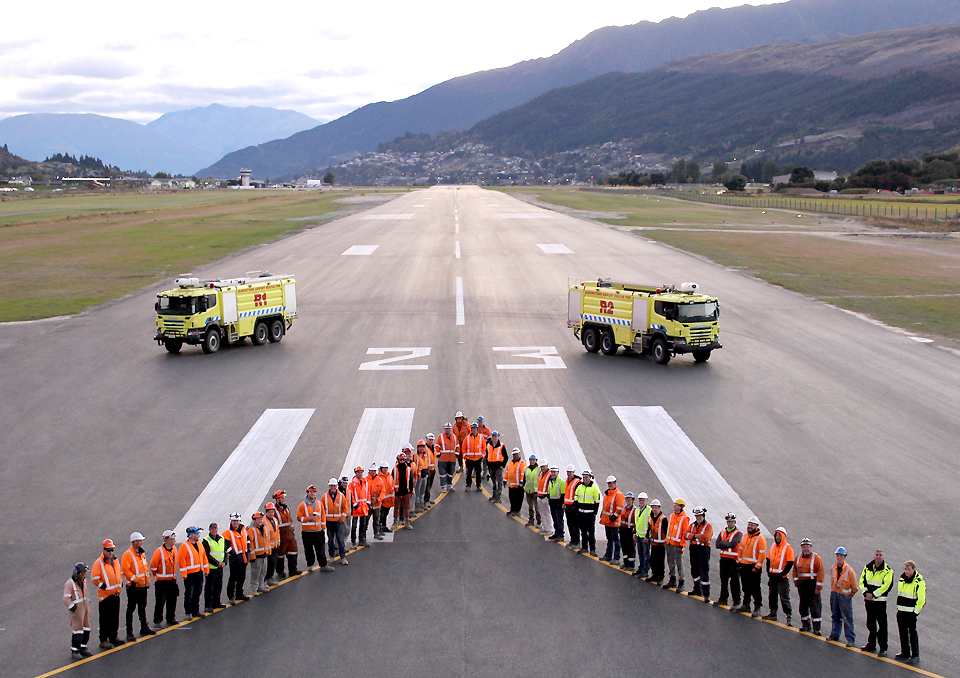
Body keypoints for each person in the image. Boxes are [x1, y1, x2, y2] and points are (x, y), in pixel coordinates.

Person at [90, 539, 125, 650]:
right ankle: (103, 640)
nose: (110, 553)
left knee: (115, 617)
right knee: (105, 619)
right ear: (104, 550)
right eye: (108, 550)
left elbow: (119, 573)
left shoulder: (115, 561)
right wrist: (103, 586)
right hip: (105, 596)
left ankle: (113, 637)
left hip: (115, 593)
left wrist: (120, 583)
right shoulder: (99, 563)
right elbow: (94, 578)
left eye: (112, 550)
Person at [860, 548, 893, 656]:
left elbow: (886, 586)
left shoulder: (888, 571)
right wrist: (866, 593)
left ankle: (883, 648)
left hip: (880, 602)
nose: (878, 556)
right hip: (869, 601)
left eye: (880, 555)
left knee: (882, 625)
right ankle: (871, 644)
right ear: (874, 556)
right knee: (870, 623)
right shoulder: (867, 567)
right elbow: (861, 581)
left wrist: (873, 594)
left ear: (883, 557)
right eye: (877, 554)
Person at [121, 532, 153, 642]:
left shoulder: (141, 553)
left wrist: (146, 580)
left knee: (142, 607)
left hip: (143, 586)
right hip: (133, 587)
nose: (141, 542)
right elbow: (126, 570)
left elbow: (145, 568)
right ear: (134, 542)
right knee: (131, 609)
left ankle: (144, 627)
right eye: (139, 541)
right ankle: (129, 632)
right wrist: (136, 580)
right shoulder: (128, 555)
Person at [792, 537, 824, 635]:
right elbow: (794, 571)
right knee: (803, 606)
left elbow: (821, 572)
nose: (806, 549)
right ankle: (805, 625)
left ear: (811, 547)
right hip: (802, 585)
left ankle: (817, 628)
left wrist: (818, 587)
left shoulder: (816, 558)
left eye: (808, 547)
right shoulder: (798, 558)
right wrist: (796, 581)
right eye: (804, 547)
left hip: (812, 584)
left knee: (815, 606)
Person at [828, 546, 859, 647]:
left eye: (841, 556)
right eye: (837, 555)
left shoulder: (849, 570)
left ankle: (850, 639)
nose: (839, 557)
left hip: (845, 597)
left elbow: (855, 587)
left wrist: (849, 595)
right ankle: (834, 634)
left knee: (847, 618)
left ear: (844, 557)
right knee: (835, 616)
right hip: (834, 594)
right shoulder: (833, 568)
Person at [895, 560, 925, 664]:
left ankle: (915, 655)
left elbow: (921, 599)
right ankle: (905, 653)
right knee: (902, 633)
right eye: (905, 569)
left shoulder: (918, 582)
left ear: (913, 569)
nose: (907, 571)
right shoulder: (902, 579)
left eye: (909, 569)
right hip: (901, 611)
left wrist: (915, 612)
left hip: (910, 613)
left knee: (912, 633)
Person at [735, 517, 766, 617]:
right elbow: (740, 549)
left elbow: (762, 554)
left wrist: (757, 567)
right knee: (745, 587)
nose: (750, 526)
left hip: (754, 567)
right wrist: (739, 562)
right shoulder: (744, 537)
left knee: (755, 588)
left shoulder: (760, 539)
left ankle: (757, 607)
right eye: (749, 524)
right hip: (744, 566)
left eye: (752, 525)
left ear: (757, 526)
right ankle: (746, 605)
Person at [763, 527, 794, 625]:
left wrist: (782, 574)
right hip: (773, 577)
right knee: (772, 596)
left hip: (782, 578)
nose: (777, 537)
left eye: (779, 535)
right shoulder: (773, 546)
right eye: (776, 535)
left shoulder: (788, 547)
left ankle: (788, 616)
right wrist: (768, 572)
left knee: (784, 598)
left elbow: (790, 563)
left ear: (783, 536)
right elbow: (768, 559)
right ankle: (773, 613)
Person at [178, 526, 209, 618]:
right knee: (189, 594)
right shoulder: (184, 547)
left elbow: (204, 558)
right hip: (190, 575)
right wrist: (184, 575)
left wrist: (206, 570)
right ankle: (188, 612)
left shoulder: (199, 544)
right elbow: (182, 562)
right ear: (191, 535)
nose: (198, 535)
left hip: (199, 573)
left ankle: (196, 611)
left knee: (197, 593)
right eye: (196, 534)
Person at [150, 530, 179, 627]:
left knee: (172, 600)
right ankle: (157, 620)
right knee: (160, 601)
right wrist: (160, 575)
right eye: (173, 539)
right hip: (161, 582)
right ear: (168, 540)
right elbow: (153, 567)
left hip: (172, 580)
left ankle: (171, 618)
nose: (174, 540)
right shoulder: (159, 552)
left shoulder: (174, 549)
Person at [64, 562, 92, 659]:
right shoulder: (69, 583)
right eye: (82, 573)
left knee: (87, 628)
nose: (84, 575)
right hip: (77, 611)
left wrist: (88, 603)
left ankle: (83, 647)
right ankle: (75, 649)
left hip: (85, 608)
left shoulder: (84, 581)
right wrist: (72, 606)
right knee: (77, 630)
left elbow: (86, 592)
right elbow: (66, 598)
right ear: (77, 573)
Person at [714, 513, 742, 608]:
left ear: (734, 522)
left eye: (732, 522)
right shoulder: (722, 532)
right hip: (724, 560)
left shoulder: (738, 533)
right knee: (724, 580)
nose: (730, 523)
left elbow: (733, 544)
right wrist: (726, 543)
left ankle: (736, 601)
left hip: (733, 561)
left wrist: (723, 543)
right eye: (729, 522)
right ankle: (723, 599)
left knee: (734, 582)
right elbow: (717, 544)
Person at [297, 485, 328, 572]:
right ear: (307, 493)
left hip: (318, 531)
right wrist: (308, 519)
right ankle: (310, 565)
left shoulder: (319, 503)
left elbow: (322, 516)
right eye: (311, 492)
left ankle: (323, 565)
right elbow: (299, 518)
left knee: (320, 549)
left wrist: (323, 528)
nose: (313, 493)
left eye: (314, 492)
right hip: (307, 532)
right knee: (308, 550)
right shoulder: (302, 505)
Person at [664, 498, 691, 592]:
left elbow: (685, 533)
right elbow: (669, 529)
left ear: (681, 507)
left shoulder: (684, 518)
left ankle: (681, 581)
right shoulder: (672, 516)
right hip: (669, 543)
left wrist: (682, 546)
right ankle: (672, 579)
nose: (674, 506)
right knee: (670, 562)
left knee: (678, 563)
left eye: (676, 505)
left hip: (677, 545)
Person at [687, 507, 713, 602]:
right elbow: (685, 534)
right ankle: (697, 589)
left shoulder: (708, 526)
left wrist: (692, 538)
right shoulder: (693, 525)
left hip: (703, 549)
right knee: (694, 569)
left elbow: (706, 538)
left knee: (704, 570)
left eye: (699, 515)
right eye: (696, 515)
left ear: (703, 515)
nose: (698, 517)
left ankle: (706, 594)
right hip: (694, 548)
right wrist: (695, 536)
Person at [224, 514, 250, 603]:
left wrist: (248, 551)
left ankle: (239, 594)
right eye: (234, 521)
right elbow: (226, 546)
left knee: (242, 577)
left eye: (237, 521)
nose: (236, 523)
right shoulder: (227, 533)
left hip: (243, 557)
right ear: (231, 521)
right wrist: (234, 554)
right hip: (235, 559)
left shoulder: (243, 530)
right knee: (233, 578)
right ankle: (231, 596)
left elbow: (248, 539)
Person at [273, 490, 300, 578]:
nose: (284, 499)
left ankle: (293, 570)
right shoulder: (274, 511)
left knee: (293, 551)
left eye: (284, 497)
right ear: (277, 499)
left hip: (290, 535)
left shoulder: (286, 508)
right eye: (281, 498)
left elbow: (290, 521)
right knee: (280, 554)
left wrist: (292, 530)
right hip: (281, 535)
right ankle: (280, 571)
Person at [574, 469, 601, 556]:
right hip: (581, 514)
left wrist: (594, 513)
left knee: (591, 532)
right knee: (583, 532)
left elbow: (597, 502)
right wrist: (577, 512)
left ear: (590, 477)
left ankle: (592, 549)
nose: (585, 479)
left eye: (586, 477)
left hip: (590, 514)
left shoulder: (594, 489)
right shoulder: (579, 487)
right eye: (584, 477)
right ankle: (584, 547)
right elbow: (576, 500)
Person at [598, 475, 625, 562]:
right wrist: (602, 514)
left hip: (614, 522)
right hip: (607, 521)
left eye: (611, 483)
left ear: (615, 483)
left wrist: (614, 517)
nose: (610, 485)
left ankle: (616, 557)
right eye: (609, 483)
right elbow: (605, 506)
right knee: (609, 539)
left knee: (616, 540)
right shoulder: (607, 494)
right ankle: (608, 555)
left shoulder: (618, 495)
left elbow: (619, 508)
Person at [322, 478, 350, 562]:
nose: (332, 487)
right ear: (329, 486)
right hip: (329, 522)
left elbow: (345, 508)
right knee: (330, 540)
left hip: (338, 522)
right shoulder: (325, 497)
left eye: (334, 486)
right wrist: (324, 520)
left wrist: (342, 519)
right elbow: (322, 509)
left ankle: (343, 557)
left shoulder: (341, 496)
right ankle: (331, 556)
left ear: (336, 486)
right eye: (331, 486)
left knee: (340, 540)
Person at [202, 523, 226, 612]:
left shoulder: (221, 539)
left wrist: (224, 562)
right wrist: (217, 563)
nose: (214, 530)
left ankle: (217, 602)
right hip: (211, 568)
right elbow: (207, 555)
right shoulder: (206, 541)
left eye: (215, 529)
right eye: (212, 529)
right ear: (209, 530)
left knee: (218, 585)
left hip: (220, 567)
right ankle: (208, 605)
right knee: (209, 587)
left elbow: (225, 551)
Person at [246, 512, 272, 594]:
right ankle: (253, 588)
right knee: (255, 573)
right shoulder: (251, 530)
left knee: (263, 571)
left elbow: (267, 540)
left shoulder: (264, 528)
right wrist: (252, 556)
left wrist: (268, 551)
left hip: (264, 554)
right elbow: (250, 544)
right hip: (256, 556)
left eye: (261, 519)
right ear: (254, 520)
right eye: (259, 519)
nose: (261, 520)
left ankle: (261, 585)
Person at [646, 499, 669, 585]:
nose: (654, 509)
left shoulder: (663, 519)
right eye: (653, 508)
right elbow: (649, 529)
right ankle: (654, 575)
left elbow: (666, 531)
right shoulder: (651, 518)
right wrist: (647, 537)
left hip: (661, 544)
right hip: (654, 543)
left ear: (659, 508)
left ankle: (660, 577)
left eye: (656, 508)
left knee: (660, 561)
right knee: (653, 560)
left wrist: (667, 541)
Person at [348, 466, 371, 546]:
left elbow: (368, 493)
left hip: (364, 507)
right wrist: (355, 504)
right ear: (356, 473)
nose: (360, 474)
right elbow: (351, 495)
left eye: (361, 472)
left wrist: (368, 502)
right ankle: (353, 541)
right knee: (354, 525)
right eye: (358, 472)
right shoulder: (352, 484)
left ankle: (362, 539)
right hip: (356, 508)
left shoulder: (365, 482)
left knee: (363, 524)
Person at [393, 452, 416, 530]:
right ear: (398, 460)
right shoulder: (395, 469)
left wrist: (411, 490)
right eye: (400, 460)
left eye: (403, 460)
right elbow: (392, 480)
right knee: (396, 508)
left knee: (407, 508)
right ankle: (395, 522)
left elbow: (411, 480)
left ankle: (407, 522)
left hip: (406, 492)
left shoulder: (408, 469)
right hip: (397, 492)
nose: (402, 461)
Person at [461, 423, 486, 491]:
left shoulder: (481, 438)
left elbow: (484, 447)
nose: (474, 430)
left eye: (475, 429)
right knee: (469, 472)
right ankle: (468, 485)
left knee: (478, 473)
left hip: (478, 459)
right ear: (471, 430)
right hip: (469, 459)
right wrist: (465, 456)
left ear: (477, 429)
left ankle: (478, 486)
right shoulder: (467, 438)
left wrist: (482, 456)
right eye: (473, 429)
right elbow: (463, 448)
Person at [632, 493, 651, 578]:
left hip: (645, 537)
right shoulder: (637, 510)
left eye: (643, 500)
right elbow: (636, 522)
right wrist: (635, 533)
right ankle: (641, 567)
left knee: (646, 553)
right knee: (640, 553)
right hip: (639, 535)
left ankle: (645, 570)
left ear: (646, 501)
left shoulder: (649, 510)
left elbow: (650, 525)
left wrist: (647, 536)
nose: (641, 502)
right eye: (640, 500)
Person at [563, 465, 581, 549]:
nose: (569, 473)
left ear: (574, 472)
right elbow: (567, 493)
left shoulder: (577, 482)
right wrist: (564, 503)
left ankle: (577, 541)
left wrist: (575, 505)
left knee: (575, 525)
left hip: (574, 507)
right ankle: (572, 540)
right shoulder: (567, 480)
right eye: (568, 472)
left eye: (570, 472)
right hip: (567, 506)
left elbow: (578, 495)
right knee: (570, 524)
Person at [485, 431, 507, 503]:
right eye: (493, 437)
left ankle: (498, 497)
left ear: (498, 437)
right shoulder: (488, 445)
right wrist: (487, 465)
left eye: (495, 437)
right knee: (493, 482)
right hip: (491, 467)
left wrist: (502, 466)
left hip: (498, 467)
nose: (494, 438)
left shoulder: (501, 446)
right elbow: (486, 455)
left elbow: (506, 457)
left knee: (499, 482)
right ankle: (494, 495)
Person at [504, 448, 526, 516]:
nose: (515, 456)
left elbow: (523, 473)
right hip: (511, 485)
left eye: (516, 454)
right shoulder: (510, 462)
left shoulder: (522, 463)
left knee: (518, 499)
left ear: (519, 454)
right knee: (511, 498)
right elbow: (507, 472)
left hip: (518, 485)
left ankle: (517, 511)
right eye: (514, 454)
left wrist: (522, 482)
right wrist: (505, 479)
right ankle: (512, 509)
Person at [437, 423, 459, 492]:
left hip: (452, 459)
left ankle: (449, 485)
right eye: (446, 429)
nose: (448, 430)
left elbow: (457, 446)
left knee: (450, 473)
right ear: (444, 429)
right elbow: (437, 446)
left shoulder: (454, 437)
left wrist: (457, 454)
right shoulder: (440, 437)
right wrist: (438, 454)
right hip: (443, 459)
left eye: (449, 429)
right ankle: (443, 486)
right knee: (443, 474)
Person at [263, 504, 281, 585]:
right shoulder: (263, 521)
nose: (272, 514)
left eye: (273, 512)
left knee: (273, 563)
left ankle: (270, 578)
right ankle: (264, 580)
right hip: (267, 547)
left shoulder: (275, 520)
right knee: (266, 565)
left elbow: (277, 531)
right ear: (266, 512)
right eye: (270, 512)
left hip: (275, 546)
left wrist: (278, 541)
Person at [367, 463, 386, 541]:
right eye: (372, 471)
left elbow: (383, 491)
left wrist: (378, 499)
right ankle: (363, 536)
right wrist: (369, 500)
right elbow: (364, 492)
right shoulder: (365, 480)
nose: (373, 472)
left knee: (376, 520)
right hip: (368, 505)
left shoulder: (380, 480)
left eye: (374, 471)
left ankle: (376, 533)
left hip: (377, 504)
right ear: (369, 471)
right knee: (365, 521)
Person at [548, 466, 567, 541]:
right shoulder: (551, 482)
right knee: (554, 519)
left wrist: (561, 503)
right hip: (552, 503)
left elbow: (563, 494)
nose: (553, 473)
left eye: (554, 472)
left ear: (558, 473)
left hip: (558, 504)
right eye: (552, 472)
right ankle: (556, 533)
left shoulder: (561, 482)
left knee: (559, 520)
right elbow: (549, 492)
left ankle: (560, 535)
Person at [536, 463, 554, 536]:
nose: (542, 468)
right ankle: (544, 527)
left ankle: (550, 529)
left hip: (545, 496)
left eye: (543, 466)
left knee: (547, 513)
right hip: (540, 496)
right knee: (542, 513)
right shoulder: (541, 474)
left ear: (547, 466)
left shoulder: (549, 475)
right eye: (541, 467)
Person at [523, 454, 541, 527]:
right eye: (531, 460)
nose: (532, 461)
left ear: (536, 461)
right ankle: (531, 520)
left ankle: (539, 521)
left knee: (537, 508)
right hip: (528, 490)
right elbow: (524, 479)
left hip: (536, 491)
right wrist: (524, 486)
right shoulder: (526, 469)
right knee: (530, 507)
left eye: (533, 460)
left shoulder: (539, 470)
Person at [378, 461, 395, 534]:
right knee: (381, 515)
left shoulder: (389, 476)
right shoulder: (378, 478)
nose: (385, 469)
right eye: (384, 468)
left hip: (388, 500)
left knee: (385, 514)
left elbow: (393, 486)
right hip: (382, 500)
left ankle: (384, 526)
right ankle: (380, 528)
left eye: (386, 468)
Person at [414, 442, 429, 513]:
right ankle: (417, 505)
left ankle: (421, 503)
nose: (422, 448)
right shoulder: (415, 456)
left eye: (423, 447)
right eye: (420, 447)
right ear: (418, 447)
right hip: (419, 477)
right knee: (418, 491)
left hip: (424, 476)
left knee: (422, 491)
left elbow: (426, 464)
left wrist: (427, 473)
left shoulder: (425, 455)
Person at [423, 433, 438, 505]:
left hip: (433, 469)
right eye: (430, 440)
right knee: (427, 486)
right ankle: (426, 500)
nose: (431, 441)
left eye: (432, 440)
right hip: (427, 469)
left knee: (430, 485)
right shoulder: (425, 449)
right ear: (426, 439)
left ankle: (427, 499)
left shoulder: (433, 448)